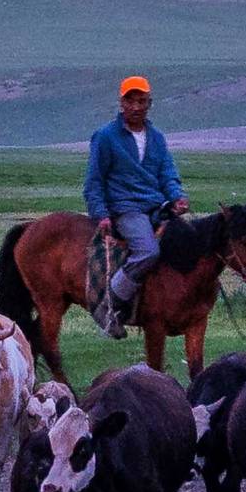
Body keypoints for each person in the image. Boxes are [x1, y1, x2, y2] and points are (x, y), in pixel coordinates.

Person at [84, 75, 187, 330]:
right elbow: (94, 180)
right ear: (122, 103)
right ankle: (109, 305)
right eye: (130, 101)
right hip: (126, 208)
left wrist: (176, 197)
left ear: (149, 103)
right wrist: (101, 214)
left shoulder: (157, 138)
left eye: (141, 101)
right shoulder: (106, 136)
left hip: (156, 205)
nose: (136, 106)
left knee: (190, 242)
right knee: (148, 251)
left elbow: (167, 173)